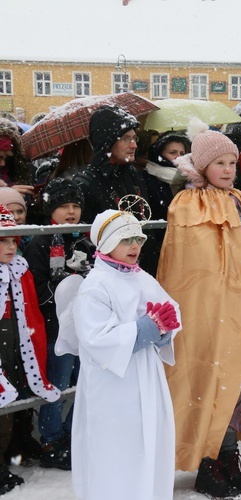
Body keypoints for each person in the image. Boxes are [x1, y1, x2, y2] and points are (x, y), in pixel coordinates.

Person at [158, 120, 241, 498]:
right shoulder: (186, 205)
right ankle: (206, 461)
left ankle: (227, 455)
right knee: (210, 383)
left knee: (240, 382)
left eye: (232, 162)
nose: (228, 169)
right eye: (220, 163)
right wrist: (223, 301)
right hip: (211, 316)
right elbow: (190, 270)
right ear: (202, 167)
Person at [56, 208, 180, 500]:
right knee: (117, 448)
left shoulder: (140, 277)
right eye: (126, 240)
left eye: (138, 238)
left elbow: (169, 308)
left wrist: (164, 330)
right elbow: (96, 339)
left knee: (147, 441)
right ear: (106, 243)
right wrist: (141, 331)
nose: (135, 246)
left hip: (146, 377)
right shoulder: (96, 285)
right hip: (114, 385)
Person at [24, 178, 95, 471]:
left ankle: (71, 432)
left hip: (87, 326)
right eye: (63, 205)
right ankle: (51, 440)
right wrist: (66, 283)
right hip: (57, 329)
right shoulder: (42, 241)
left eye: (75, 205)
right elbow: (38, 288)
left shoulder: (85, 240)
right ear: (50, 209)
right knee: (58, 385)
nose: (71, 212)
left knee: (86, 383)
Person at [0, 204, 61, 494]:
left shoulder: (19, 269)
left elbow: (31, 311)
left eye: (14, 240)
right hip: (3, 336)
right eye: (3, 240)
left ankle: (16, 445)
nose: (11, 247)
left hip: (16, 338)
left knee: (16, 390)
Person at [72, 106, 157, 274]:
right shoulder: (85, 183)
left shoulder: (134, 174)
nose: (133, 145)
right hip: (110, 271)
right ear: (107, 142)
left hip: (144, 267)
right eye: (125, 138)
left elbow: (146, 219)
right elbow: (88, 238)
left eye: (134, 138)